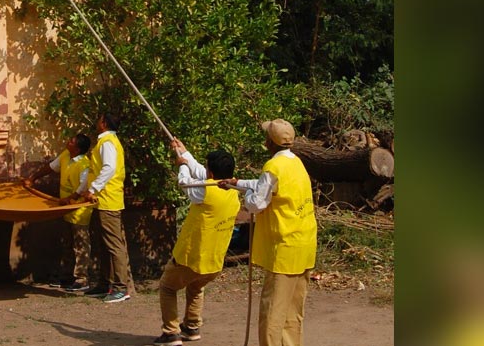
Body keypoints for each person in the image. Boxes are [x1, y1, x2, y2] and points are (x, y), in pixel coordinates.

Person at [218, 119, 317, 346]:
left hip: (283, 248)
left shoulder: (273, 167)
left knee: (272, 312)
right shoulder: (296, 163)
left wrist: (244, 195)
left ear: (270, 143)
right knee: (293, 312)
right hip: (304, 244)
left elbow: (257, 203)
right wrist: (237, 182)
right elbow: (266, 184)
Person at [153, 141, 241, 346]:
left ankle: (171, 333)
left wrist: (182, 164)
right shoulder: (232, 191)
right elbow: (202, 173)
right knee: (195, 286)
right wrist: (183, 152)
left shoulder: (204, 192)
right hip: (214, 260)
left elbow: (185, 183)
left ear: (211, 173)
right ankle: (191, 327)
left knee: (167, 287)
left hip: (191, 256)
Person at [22, 133, 94, 291]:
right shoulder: (66, 155)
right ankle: (67, 276)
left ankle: (82, 279)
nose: (68, 142)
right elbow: (50, 167)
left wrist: (71, 198)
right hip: (65, 208)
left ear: (78, 148)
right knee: (67, 243)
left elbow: (84, 186)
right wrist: (32, 178)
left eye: (72, 141)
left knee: (81, 245)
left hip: (79, 209)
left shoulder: (84, 164)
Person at [80, 111, 132, 303]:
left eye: (98, 119)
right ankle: (105, 283)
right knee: (104, 244)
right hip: (102, 200)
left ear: (103, 123)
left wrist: (93, 188)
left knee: (113, 244)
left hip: (108, 199)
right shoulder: (105, 142)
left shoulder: (108, 143)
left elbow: (109, 168)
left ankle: (120, 287)